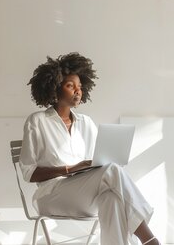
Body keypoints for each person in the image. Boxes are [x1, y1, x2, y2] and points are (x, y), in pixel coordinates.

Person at [20, 52, 161, 245]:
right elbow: (29, 173)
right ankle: (149, 239)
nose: (78, 91)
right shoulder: (37, 121)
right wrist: (70, 169)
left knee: (111, 197)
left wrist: (90, 166)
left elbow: (101, 162)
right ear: (54, 88)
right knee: (111, 171)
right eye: (70, 86)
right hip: (50, 195)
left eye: (79, 87)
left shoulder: (86, 123)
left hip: (83, 194)